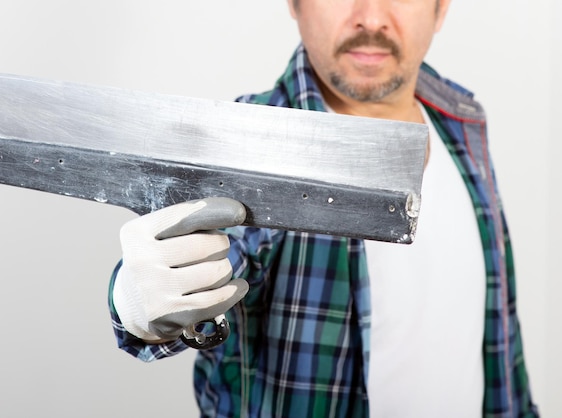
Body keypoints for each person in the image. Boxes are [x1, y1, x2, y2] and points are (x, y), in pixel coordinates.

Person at [108, 0, 539, 416]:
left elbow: (500, 337)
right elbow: (212, 260)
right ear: (295, 3)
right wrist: (138, 300)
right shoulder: (255, 142)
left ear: (440, 7)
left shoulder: (461, 123)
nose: (370, 17)